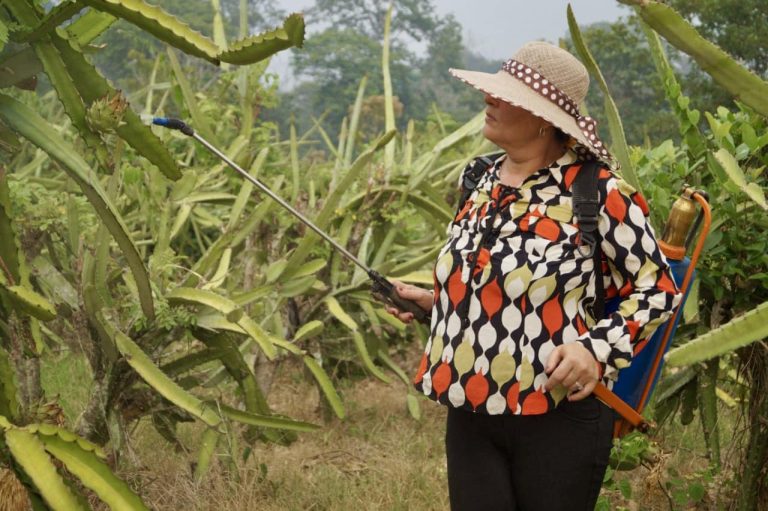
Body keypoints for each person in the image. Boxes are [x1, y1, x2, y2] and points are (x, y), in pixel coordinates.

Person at [386, 41, 682, 511]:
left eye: (507, 95)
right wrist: (434, 304)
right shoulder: (477, 180)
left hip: (555, 414)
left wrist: (594, 349)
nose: (490, 100)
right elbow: (494, 283)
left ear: (545, 119)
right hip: (469, 407)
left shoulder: (598, 193)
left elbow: (658, 288)